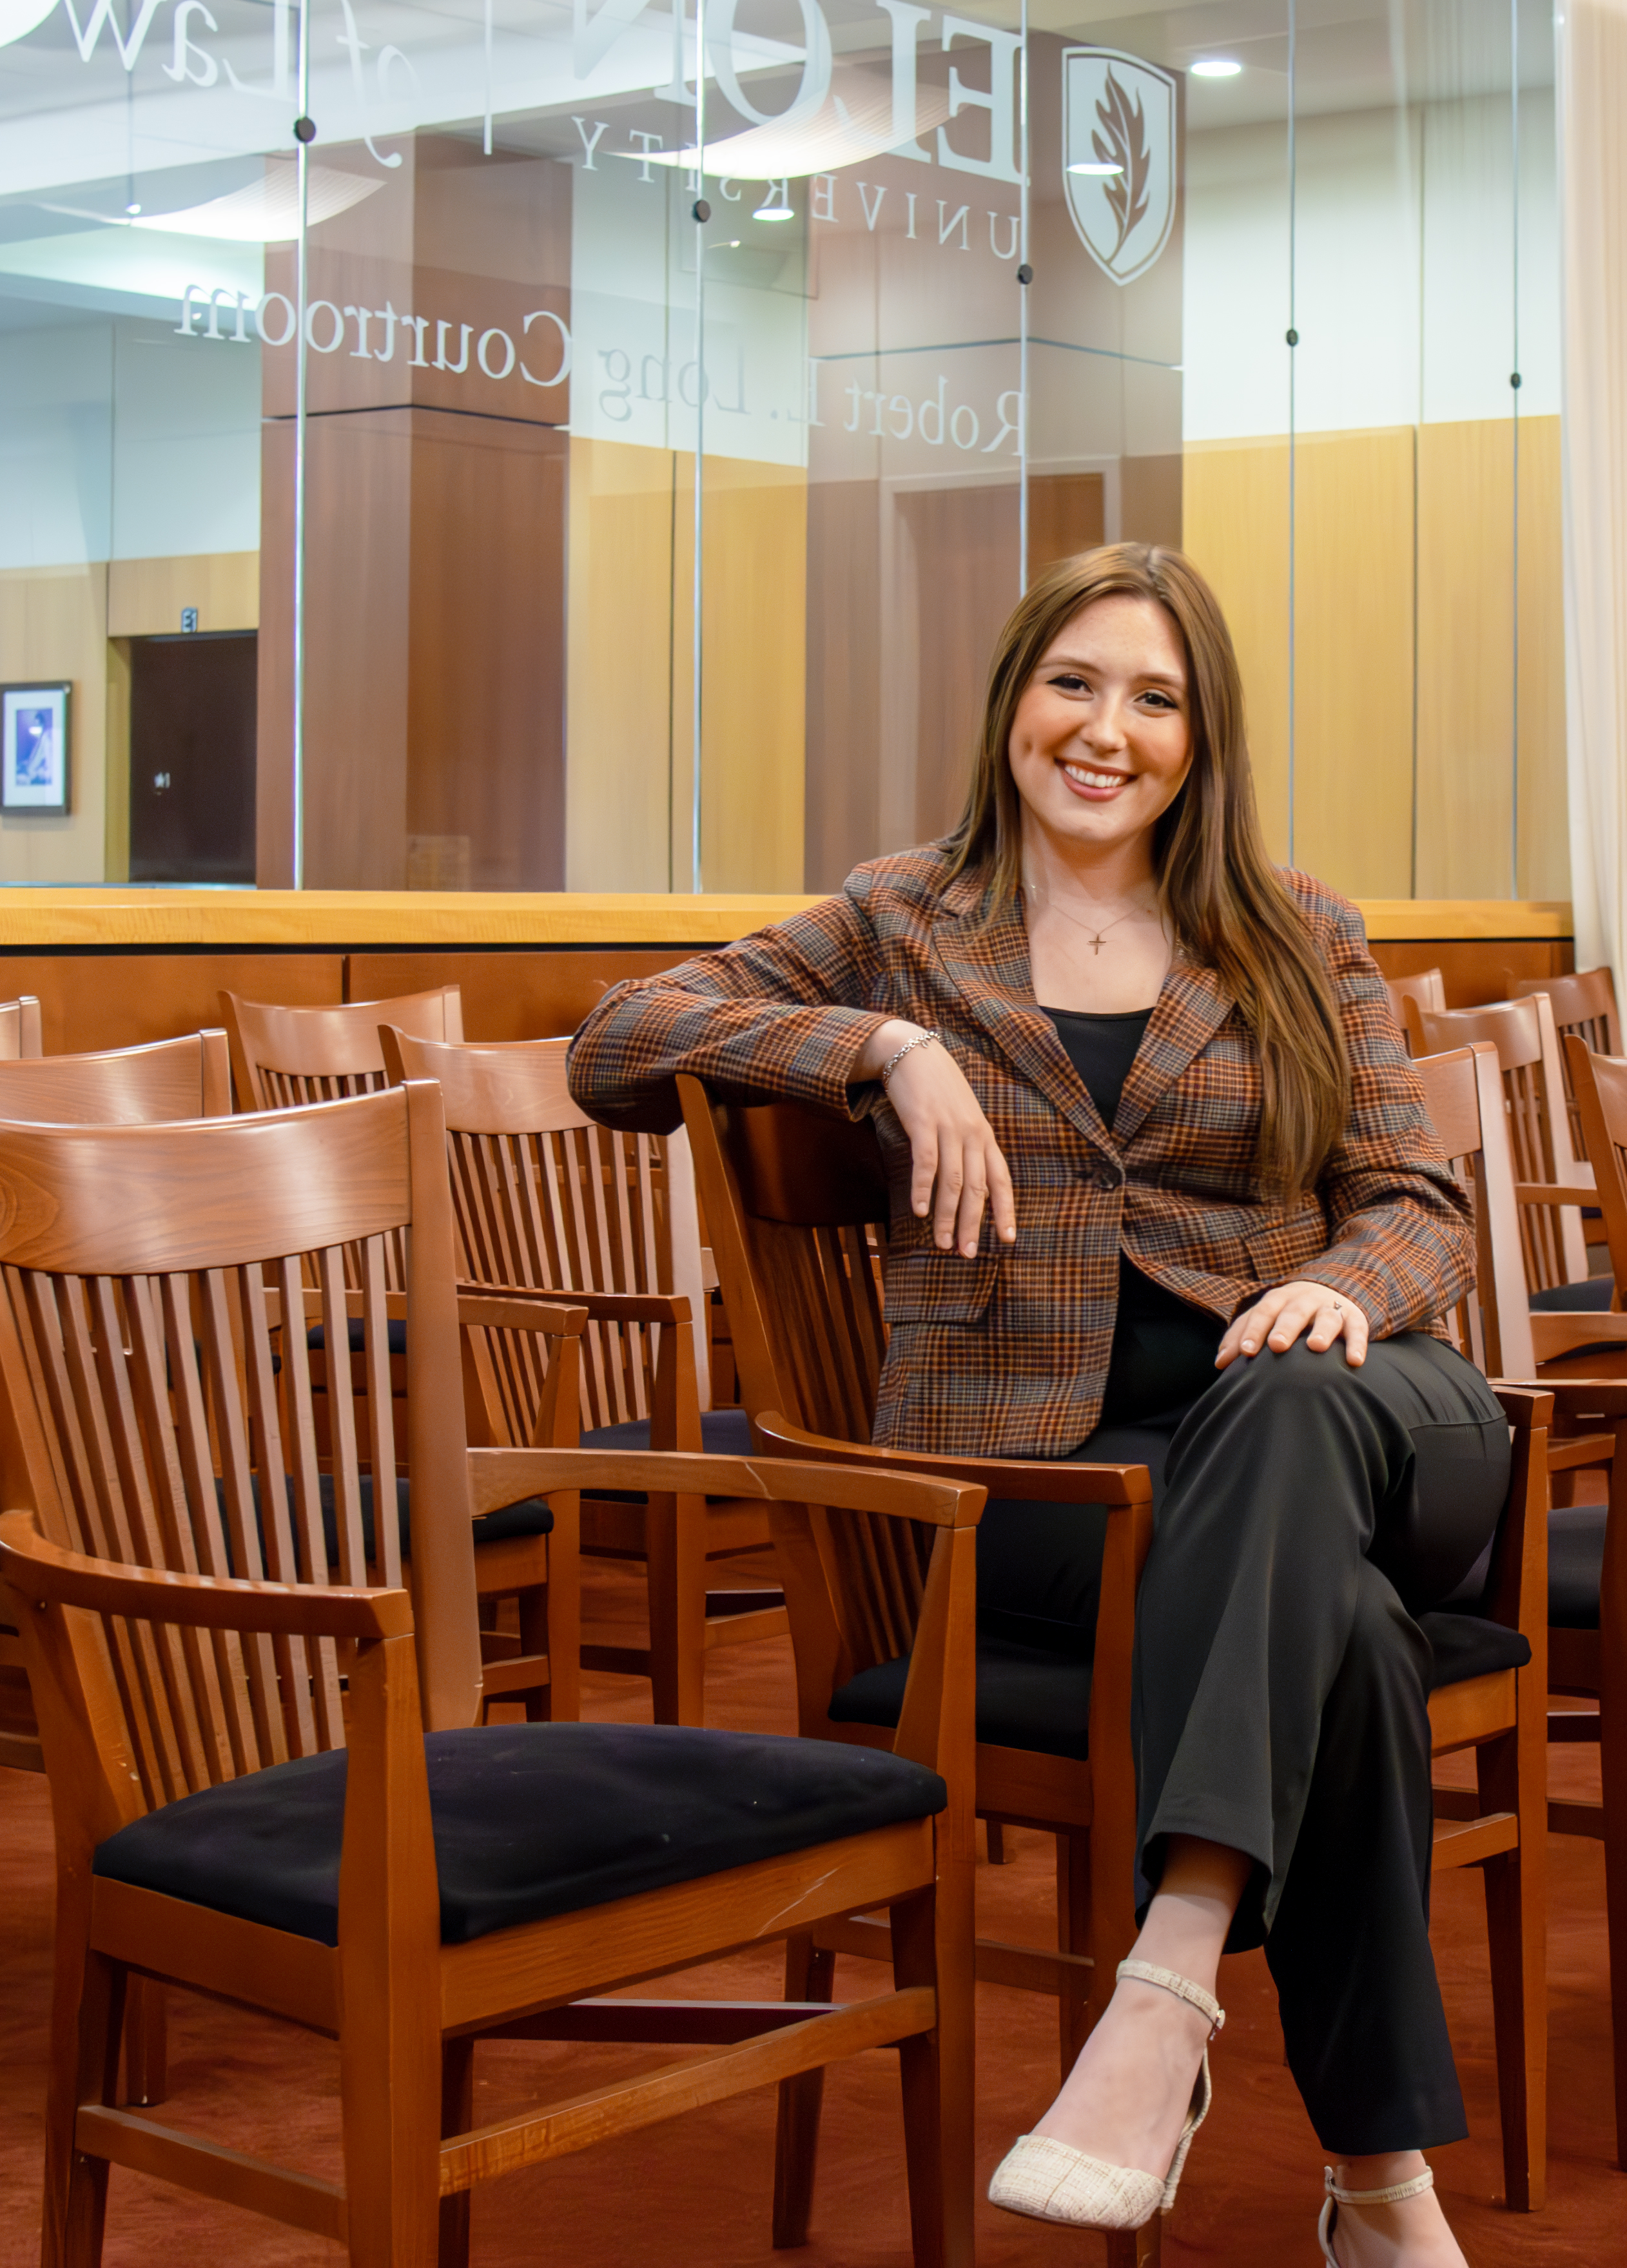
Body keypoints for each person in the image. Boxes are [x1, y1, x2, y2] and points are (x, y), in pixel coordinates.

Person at [567, 541, 1503, 2268]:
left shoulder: (1299, 930)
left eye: (1155, 698)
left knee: (1282, 1414)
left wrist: (1338, 1288)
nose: (1107, 728)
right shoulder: (901, 924)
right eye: (1075, 682)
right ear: (1013, 702)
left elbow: (1421, 1204)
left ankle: (1163, 1991)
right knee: (1347, 1643)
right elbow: (619, 1037)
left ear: (1199, 736)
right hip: (1043, 1506)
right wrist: (879, 1050)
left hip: (1368, 1423)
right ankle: (1381, 2184)